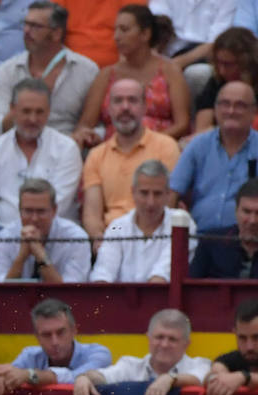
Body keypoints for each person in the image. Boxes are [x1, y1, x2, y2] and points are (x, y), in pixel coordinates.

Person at [168, 81, 258, 231]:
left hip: (249, 241)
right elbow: (172, 193)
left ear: (254, 112)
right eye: (225, 104)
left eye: (240, 105)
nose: (231, 111)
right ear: (215, 109)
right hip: (199, 238)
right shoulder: (198, 145)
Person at [71, 4, 189, 148]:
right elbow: (86, 124)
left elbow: (182, 124)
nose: (116, 37)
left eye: (124, 30)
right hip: (114, 150)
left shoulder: (170, 71)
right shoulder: (107, 75)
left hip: (159, 149)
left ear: (145, 34)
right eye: (116, 30)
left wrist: (145, 143)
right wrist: (88, 135)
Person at [80, 77, 180, 246]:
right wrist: (102, 244)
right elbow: (91, 215)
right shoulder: (96, 155)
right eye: (118, 101)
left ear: (144, 107)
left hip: (153, 239)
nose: (125, 107)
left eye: (132, 100)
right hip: (111, 238)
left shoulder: (166, 146)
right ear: (109, 109)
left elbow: (166, 205)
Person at [0, 77, 82, 224]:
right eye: (26, 111)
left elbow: (60, 203)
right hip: (0, 236)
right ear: (12, 109)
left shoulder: (66, 148)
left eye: (39, 112)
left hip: (54, 236)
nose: (32, 119)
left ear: (48, 112)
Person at [0, 0, 98, 138]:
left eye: (35, 26)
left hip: (66, 146)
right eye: (25, 24)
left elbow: (98, 128)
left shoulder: (87, 70)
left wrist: (82, 136)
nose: (26, 31)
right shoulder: (7, 70)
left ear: (56, 33)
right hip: (16, 145)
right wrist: (22, 106)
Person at [72, 308, 212, 395]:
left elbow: (198, 378)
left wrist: (170, 379)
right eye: (159, 337)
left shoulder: (201, 364)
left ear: (186, 344)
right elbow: (103, 376)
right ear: (148, 338)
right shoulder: (130, 365)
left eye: (172, 339)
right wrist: (85, 377)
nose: (164, 344)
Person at [90, 159, 195, 282]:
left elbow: (161, 277)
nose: (150, 202)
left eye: (157, 194)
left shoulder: (182, 224)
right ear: (133, 192)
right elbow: (102, 274)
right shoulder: (117, 226)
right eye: (144, 193)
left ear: (168, 194)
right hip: (118, 300)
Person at [0, 298, 112, 395]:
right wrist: (2, 379)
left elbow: (75, 378)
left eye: (61, 332)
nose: (54, 341)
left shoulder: (99, 353)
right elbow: (8, 375)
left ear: (74, 331)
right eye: (46, 335)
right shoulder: (30, 355)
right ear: (37, 337)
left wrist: (30, 375)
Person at [188, 178, 258, 279]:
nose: (252, 220)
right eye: (246, 212)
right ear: (236, 211)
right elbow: (192, 291)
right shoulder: (210, 242)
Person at [0, 177, 90, 282]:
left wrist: (40, 254)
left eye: (41, 211)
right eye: (28, 211)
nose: (34, 218)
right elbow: (0, 288)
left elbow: (71, 290)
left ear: (54, 210)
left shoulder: (76, 237)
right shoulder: (6, 236)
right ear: (19, 210)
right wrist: (21, 257)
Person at [191, 27, 258, 134]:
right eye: (219, 63)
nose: (221, 71)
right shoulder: (217, 82)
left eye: (228, 65)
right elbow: (202, 128)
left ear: (247, 63)